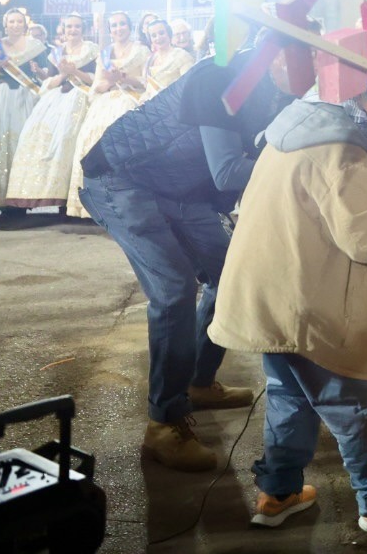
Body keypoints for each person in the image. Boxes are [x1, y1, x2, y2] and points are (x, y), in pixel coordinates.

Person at [211, 84, 367, 533]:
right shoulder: (341, 151)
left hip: (270, 295)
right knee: (356, 402)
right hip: (309, 305)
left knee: (289, 399)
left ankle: (278, 493)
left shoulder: (293, 133)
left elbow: (315, 214)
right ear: (361, 103)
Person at [79, 41, 294, 470]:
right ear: (276, 54)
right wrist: (302, 169)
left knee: (230, 272)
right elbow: (228, 170)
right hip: (122, 179)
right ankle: (164, 424)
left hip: (178, 187)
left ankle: (196, 381)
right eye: (300, 59)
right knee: (174, 290)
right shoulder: (217, 79)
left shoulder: (276, 89)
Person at [3, 14, 97, 210]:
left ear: (84, 29)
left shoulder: (92, 50)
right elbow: (49, 82)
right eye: (69, 27)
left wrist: (75, 72)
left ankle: (76, 202)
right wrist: (63, 73)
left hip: (82, 98)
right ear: (63, 30)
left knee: (71, 141)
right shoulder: (57, 53)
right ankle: (55, 195)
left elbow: (96, 79)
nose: (73, 30)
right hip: (58, 100)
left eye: (77, 26)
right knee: (37, 136)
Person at [65, 12, 150, 217]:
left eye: (122, 24)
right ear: (110, 30)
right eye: (114, 25)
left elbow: (145, 81)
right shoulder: (104, 53)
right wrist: (110, 81)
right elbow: (97, 85)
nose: (118, 28)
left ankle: (129, 202)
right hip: (106, 100)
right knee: (91, 141)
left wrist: (124, 78)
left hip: (131, 98)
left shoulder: (142, 50)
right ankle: (97, 204)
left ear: (130, 27)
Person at [0, 8, 48, 207]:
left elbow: (47, 76)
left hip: (28, 99)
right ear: (5, 25)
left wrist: (39, 71)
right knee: (2, 146)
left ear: (25, 24)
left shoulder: (36, 46)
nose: (15, 25)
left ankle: (27, 195)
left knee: (26, 144)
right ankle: (4, 200)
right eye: (11, 22)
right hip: (1, 101)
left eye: (19, 22)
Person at [143, 17, 195, 96]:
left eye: (161, 33)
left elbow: (189, 86)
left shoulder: (182, 56)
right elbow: (147, 88)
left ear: (169, 33)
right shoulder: (150, 60)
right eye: (154, 35)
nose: (158, 38)